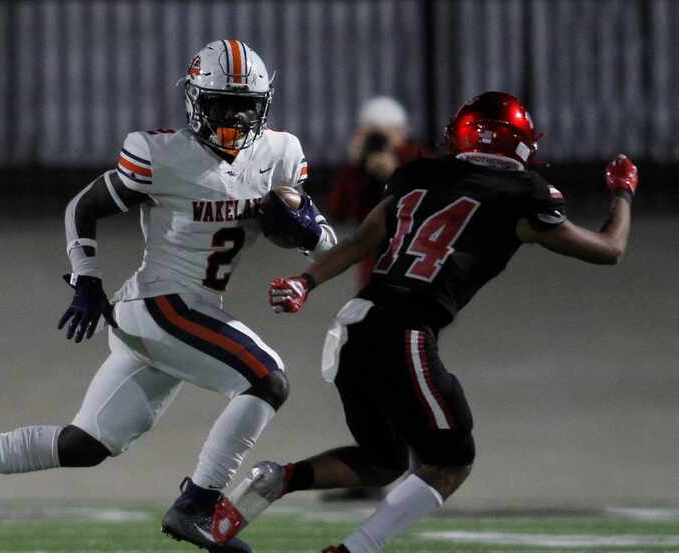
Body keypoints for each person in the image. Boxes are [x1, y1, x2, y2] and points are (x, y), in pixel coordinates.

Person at [0, 39, 336, 553]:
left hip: (186, 315)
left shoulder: (279, 154)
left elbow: (325, 239)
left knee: (86, 444)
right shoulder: (162, 155)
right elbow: (84, 206)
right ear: (195, 102)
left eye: (244, 107)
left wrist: (303, 229)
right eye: (221, 105)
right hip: (161, 303)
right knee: (266, 379)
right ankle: (198, 505)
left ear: (264, 107)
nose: (234, 118)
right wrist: (86, 276)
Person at [210, 91, 639, 553]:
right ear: (517, 143)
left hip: (352, 326)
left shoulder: (419, 176)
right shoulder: (520, 197)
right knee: (451, 462)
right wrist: (622, 191)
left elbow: (362, 240)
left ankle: (279, 478)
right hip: (405, 332)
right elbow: (609, 249)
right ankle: (356, 549)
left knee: (383, 461)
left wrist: (305, 281)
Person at [328, 97, 426, 288]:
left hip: (415, 260)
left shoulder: (417, 160)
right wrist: (353, 166)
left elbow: (430, 206)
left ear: (401, 132)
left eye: (385, 134)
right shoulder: (360, 167)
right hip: (375, 265)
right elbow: (338, 211)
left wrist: (396, 173)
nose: (379, 141)